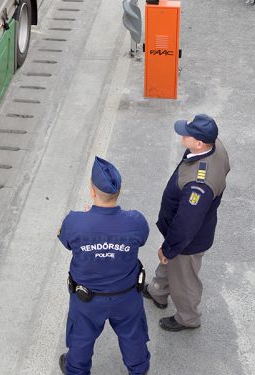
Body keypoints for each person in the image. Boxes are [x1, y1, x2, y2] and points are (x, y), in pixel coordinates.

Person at [58, 157, 150, 375]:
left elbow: (67, 242)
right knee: (133, 336)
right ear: (118, 192)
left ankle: (76, 370)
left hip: (86, 300)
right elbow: (142, 239)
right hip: (126, 297)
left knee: (81, 338)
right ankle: (138, 370)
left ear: (92, 190)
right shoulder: (136, 222)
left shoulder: (75, 222)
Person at [142, 114, 230, 332]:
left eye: (187, 134)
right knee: (169, 263)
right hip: (179, 234)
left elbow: (186, 224)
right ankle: (158, 292)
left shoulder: (199, 186)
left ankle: (188, 318)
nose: (182, 135)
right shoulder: (215, 145)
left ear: (199, 143)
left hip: (187, 242)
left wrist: (170, 248)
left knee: (185, 280)